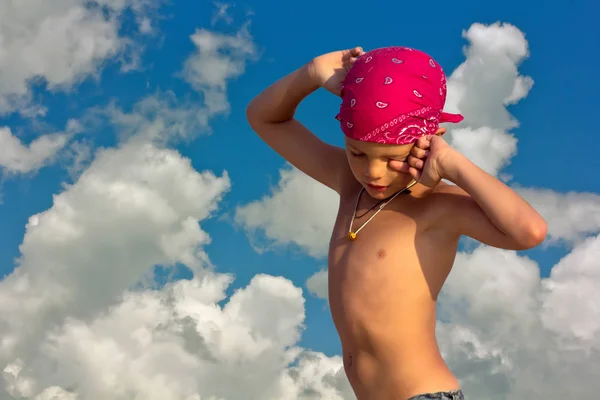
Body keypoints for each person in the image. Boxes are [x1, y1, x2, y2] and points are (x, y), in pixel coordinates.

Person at [246, 46, 547, 400]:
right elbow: (264, 118)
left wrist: (454, 165)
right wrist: (311, 72)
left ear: (429, 142)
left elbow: (529, 231)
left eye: (393, 158)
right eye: (357, 152)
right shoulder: (349, 185)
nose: (372, 172)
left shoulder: (436, 207)